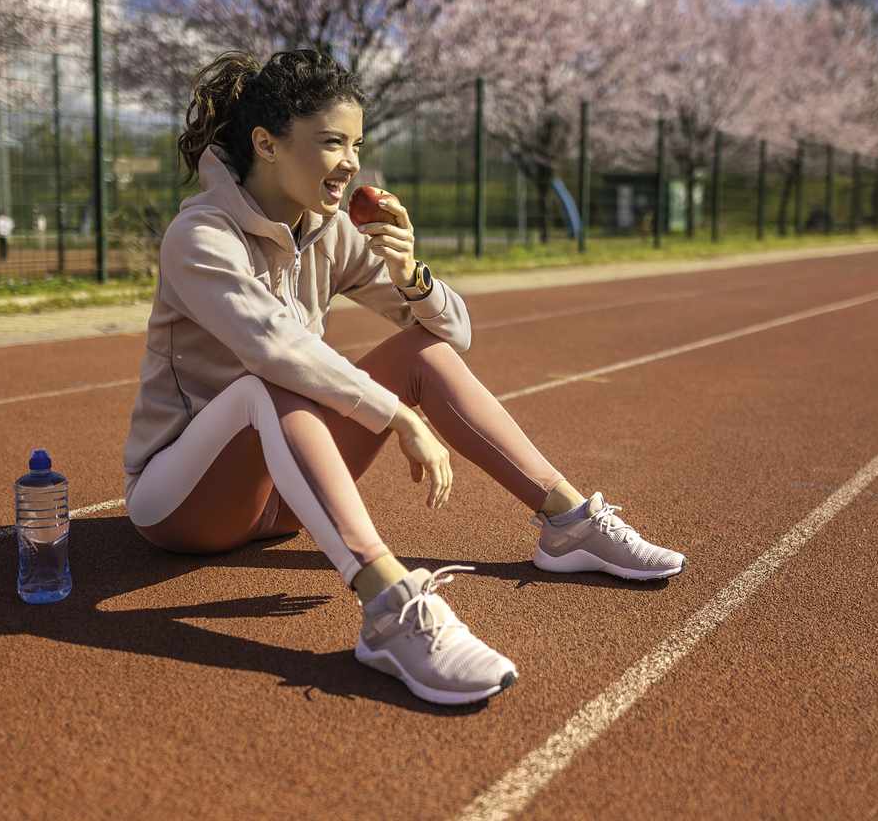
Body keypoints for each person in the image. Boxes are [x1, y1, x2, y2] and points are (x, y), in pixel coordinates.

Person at [122, 49, 685, 705]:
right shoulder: (200, 236)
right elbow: (271, 348)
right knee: (267, 384)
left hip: (283, 498)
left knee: (421, 354)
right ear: (266, 144)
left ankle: (570, 524)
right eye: (333, 142)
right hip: (183, 505)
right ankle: (390, 609)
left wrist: (411, 275)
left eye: (357, 143)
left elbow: (453, 338)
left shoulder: (329, 232)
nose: (352, 161)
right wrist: (394, 416)